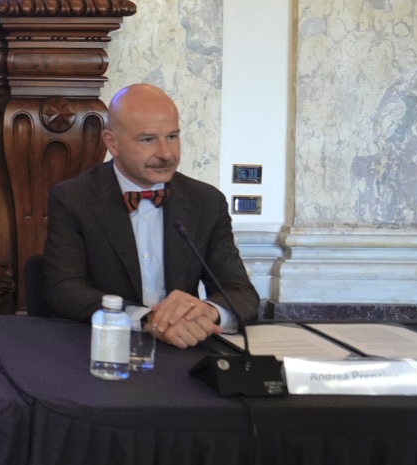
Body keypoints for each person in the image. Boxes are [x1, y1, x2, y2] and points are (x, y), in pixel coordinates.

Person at [43, 84, 259, 348]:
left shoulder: (206, 201)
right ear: (112, 143)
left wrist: (207, 311)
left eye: (172, 137)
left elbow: (241, 292)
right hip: (104, 348)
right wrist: (147, 319)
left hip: (184, 348)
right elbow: (64, 291)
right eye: (148, 140)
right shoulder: (73, 198)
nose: (166, 154)